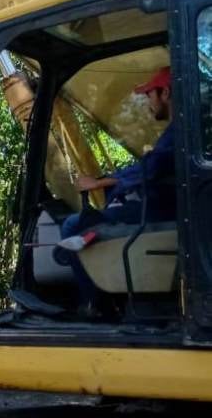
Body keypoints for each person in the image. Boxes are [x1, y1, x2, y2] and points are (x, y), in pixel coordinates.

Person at [58, 66, 176, 313]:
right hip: (166, 206)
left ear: (165, 93)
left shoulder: (178, 134)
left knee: (72, 226)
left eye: (149, 95)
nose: (147, 102)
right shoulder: (182, 130)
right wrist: (107, 180)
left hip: (163, 212)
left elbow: (150, 170)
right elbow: (146, 167)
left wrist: (99, 183)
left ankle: (97, 305)